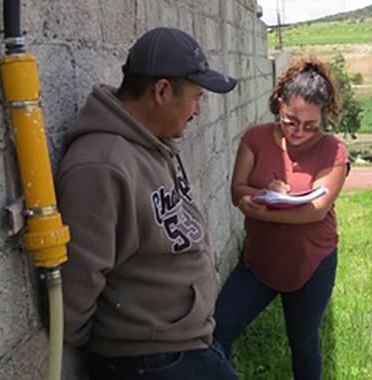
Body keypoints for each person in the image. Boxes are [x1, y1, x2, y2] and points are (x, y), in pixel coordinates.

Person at [56, 27, 238, 379]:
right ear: (162, 91)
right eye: (196, 96)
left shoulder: (152, 143)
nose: (199, 110)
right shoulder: (102, 163)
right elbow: (78, 278)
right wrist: (122, 339)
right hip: (148, 360)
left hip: (181, 347)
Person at [213, 57, 349, 380]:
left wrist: (267, 211)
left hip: (311, 263)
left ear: (323, 119)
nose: (300, 132)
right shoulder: (255, 139)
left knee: (303, 345)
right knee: (217, 331)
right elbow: (237, 191)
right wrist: (254, 199)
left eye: (311, 125)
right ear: (279, 104)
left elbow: (316, 209)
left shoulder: (333, 151)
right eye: (291, 121)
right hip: (258, 262)